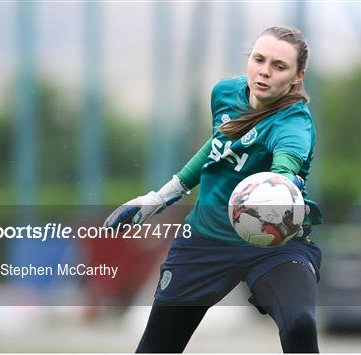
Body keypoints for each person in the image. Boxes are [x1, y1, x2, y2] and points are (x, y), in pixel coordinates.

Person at [104, 26, 323, 353]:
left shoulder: (293, 124)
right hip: (206, 239)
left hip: (274, 242)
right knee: (156, 349)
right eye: (258, 59)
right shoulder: (225, 93)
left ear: (297, 75)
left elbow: (285, 167)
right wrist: (160, 198)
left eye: (279, 66)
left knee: (300, 324)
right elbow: (218, 146)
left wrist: (284, 185)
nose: (264, 71)